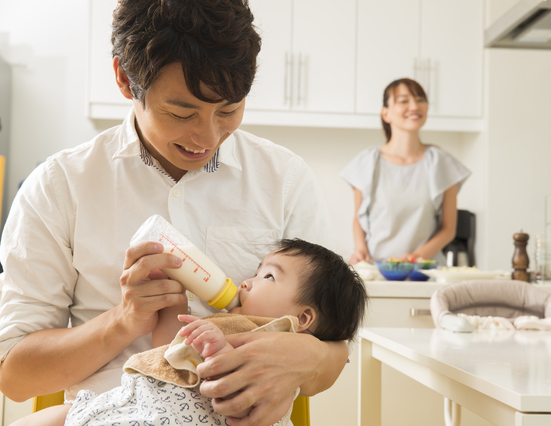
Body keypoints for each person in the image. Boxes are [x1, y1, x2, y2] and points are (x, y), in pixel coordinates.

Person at [0, 1, 348, 425]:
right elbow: (15, 376)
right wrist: (123, 322)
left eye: (228, 110)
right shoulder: (60, 186)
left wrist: (305, 357)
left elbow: (336, 349)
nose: (207, 136)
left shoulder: (285, 179)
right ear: (125, 81)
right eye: (181, 112)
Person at [12, 239, 367, 426]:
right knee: (60, 416)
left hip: (166, 417)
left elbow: (235, 376)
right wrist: (171, 301)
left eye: (268, 277)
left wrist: (216, 348)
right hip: (135, 404)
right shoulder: (230, 320)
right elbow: (169, 353)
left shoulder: (278, 335)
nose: (247, 280)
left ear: (302, 318)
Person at [341, 78, 471, 265]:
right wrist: (360, 250)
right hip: (377, 270)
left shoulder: (441, 162)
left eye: (420, 99)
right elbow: (358, 220)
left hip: (425, 271)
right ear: (386, 113)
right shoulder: (367, 162)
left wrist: (416, 257)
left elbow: (448, 229)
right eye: (403, 101)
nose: (414, 106)